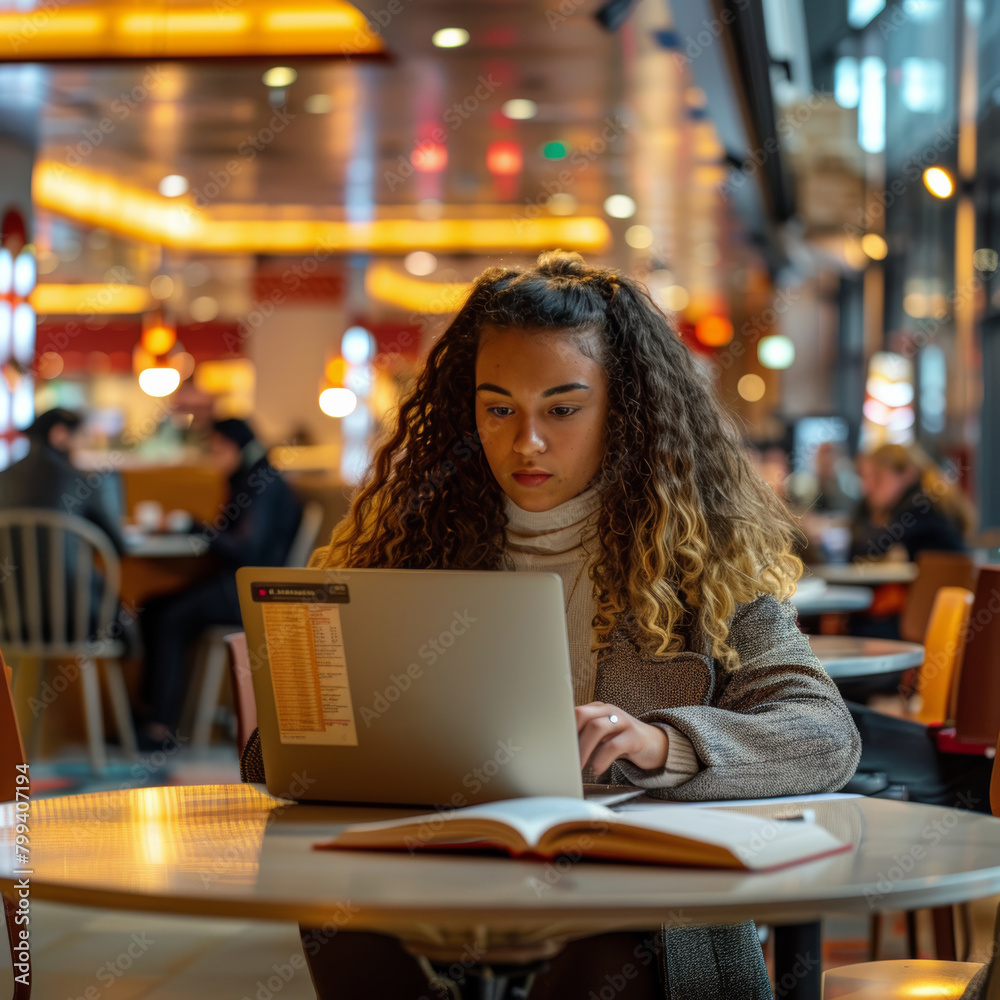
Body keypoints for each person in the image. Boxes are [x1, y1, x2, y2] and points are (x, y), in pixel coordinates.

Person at [240, 252, 861, 999]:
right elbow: (274, 760)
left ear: (623, 410)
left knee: (602, 939)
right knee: (338, 910)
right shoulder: (408, 550)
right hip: (439, 884)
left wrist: (662, 744)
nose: (525, 441)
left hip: (631, 907)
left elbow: (825, 734)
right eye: (498, 408)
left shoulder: (703, 562)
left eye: (562, 409)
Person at [139, 419, 301, 747]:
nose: (213, 457)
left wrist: (196, 528)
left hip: (253, 593)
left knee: (172, 618)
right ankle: (148, 714)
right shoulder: (249, 477)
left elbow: (244, 548)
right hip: (238, 584)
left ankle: (160, 726)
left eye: (217, 449)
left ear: (234, 446)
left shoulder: (261, 482)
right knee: (152, 607)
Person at [0, 407, 126, 551]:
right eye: (82, 435)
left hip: (7, 572)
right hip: (68, 573)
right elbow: (116, 543)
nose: (84, 443)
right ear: (60, 434)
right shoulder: (78, 480)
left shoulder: (3, 478)